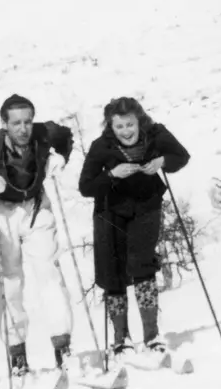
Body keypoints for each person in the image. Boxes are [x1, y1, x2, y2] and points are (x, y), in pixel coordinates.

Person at [0, 94, 76, 377]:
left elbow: (66, 136)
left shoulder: (44, 134)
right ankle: (17, 354)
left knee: (50, 274)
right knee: (9, 283)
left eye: (28, 121)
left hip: (34, 207)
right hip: (1, 211)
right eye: (16, 123)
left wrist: (60, 157)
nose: (23, 128)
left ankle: (63, 347)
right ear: (4, 123)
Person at [77, 97, 190, 356]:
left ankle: (151, 336)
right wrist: (111, 175)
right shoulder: (101, 146)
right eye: (119, 127)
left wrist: (162, 161)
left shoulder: (156, 134)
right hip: (109, 210)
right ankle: (121, 339)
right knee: (112, 271)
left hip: (146, 204)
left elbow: (181, 156)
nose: (126, 131)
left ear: (139, 120)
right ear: (110, 127)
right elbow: (85, 186)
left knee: (142, 263)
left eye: (130, 124)